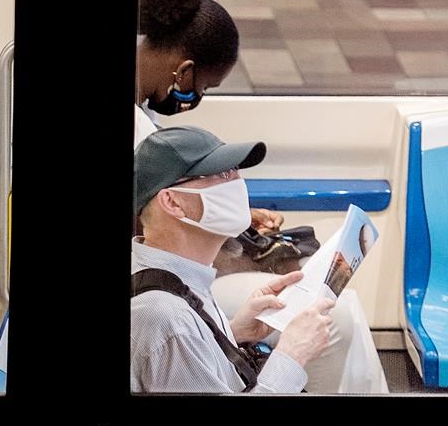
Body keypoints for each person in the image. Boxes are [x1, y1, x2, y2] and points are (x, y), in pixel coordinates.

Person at [132, 126, 335, 393]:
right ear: (172, 202)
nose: (236, 181)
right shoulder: (168, 319)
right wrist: (292, 356)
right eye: (220, 174)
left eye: (234, 171)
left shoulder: (177, 275)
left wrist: (232, 331)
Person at [134, 0, 280, 233]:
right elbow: (151, 223)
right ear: (184, 71)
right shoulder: (138, 131)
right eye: (204, 87)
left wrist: (240, 220)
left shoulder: (142, 106)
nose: (197, 96)